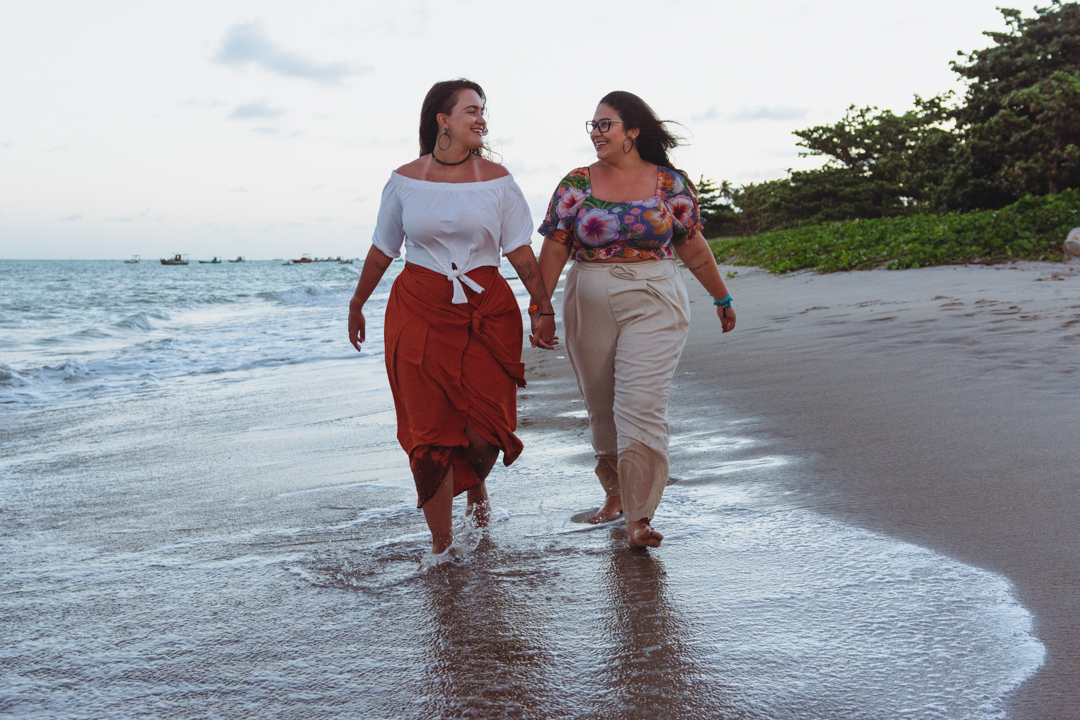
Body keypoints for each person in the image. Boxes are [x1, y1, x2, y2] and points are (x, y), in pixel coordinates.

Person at [348, 79, 556, 556]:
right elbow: (383, 250)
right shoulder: (403, 180)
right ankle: (441, 550)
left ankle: (474, 480)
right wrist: (357, 303)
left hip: (487, 311)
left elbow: (521, 251)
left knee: (486, 431)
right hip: (418, 309)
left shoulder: (498, 180)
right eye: (471, 111)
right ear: (443, 120)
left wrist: (543, 308)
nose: (481, 118)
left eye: (482, 111)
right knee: (428, 433)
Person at [536, 91, 736, 549]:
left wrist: (720, 296)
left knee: (640, 406)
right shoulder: (576, 183)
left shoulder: (670, 184)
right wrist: (540, 306)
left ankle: (640, 517)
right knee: (602, 406)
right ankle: (616, 493)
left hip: (654, 297)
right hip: (589, 297)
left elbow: (691, 244)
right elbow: (554, 247)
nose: (595, 132)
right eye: (592, 124)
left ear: (633, 131)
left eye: (605, 124)